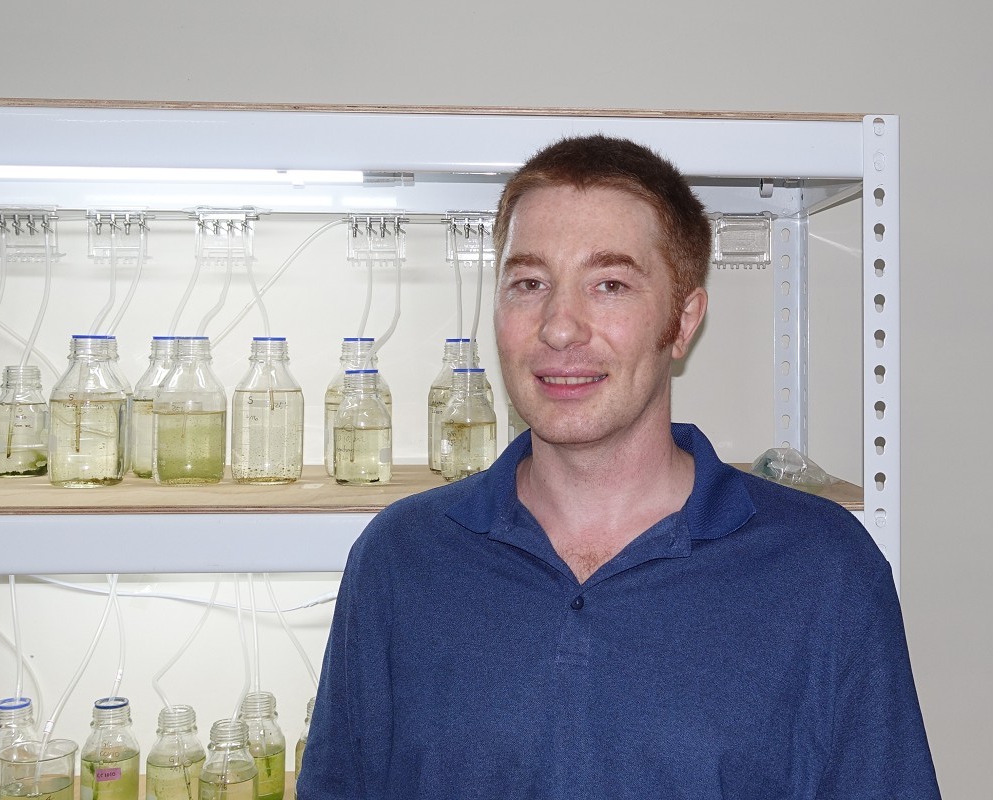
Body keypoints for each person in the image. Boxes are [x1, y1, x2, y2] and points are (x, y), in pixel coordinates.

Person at [297, 135, 939, 799]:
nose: (561, 327)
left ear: (683, 321)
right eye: (529, 283)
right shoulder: (401, 559)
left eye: (609, 284)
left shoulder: (823, 570)